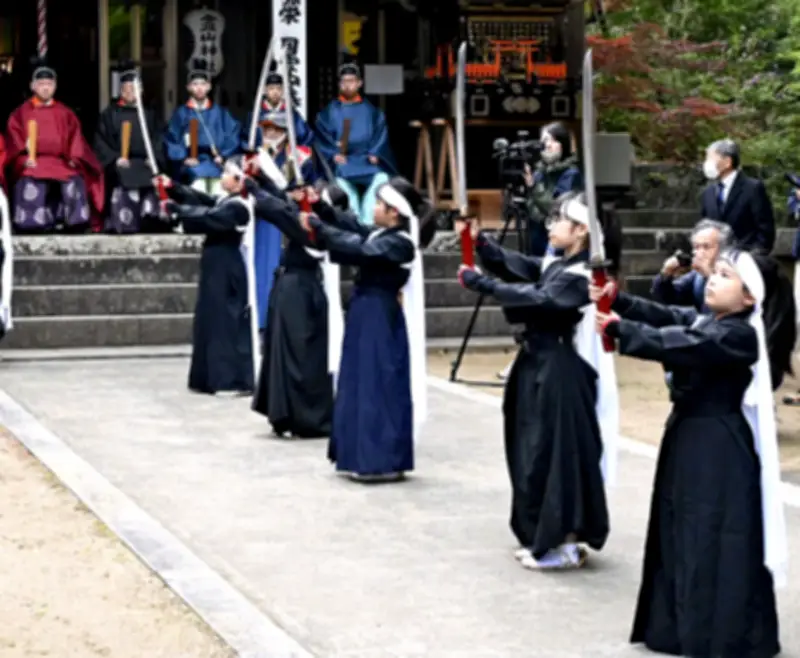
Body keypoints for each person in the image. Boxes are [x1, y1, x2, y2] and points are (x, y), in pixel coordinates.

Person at [594, 249, 785, 657]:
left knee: (713, 533)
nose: (713, 279)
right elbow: (665, 317)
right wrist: (620, 299)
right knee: (679, 525)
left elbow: (682, 343)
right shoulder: (707, 318)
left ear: (749, 297)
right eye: (714, 273)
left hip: (718, 448)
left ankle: (719, 631)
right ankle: (676, 625)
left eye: (726, 275)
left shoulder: (738, 335)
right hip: (687, 437)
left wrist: (621, 329)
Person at [457, 193, 612, 570]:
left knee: (556, 455)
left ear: (579, 232)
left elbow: (542, 298)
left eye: (559, 219)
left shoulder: (583, 276)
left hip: (559, 370)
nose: (551, 225)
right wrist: (480, 244)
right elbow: (521, 267)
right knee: (530, 451)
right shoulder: (558, 265)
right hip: (534, 363)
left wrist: (484, 285)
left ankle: (562, 541)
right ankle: (539, 532)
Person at [302, 176, 427, 482]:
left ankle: (380, 458)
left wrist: (319, 228)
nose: (375, 208)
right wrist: (319, 206)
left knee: (377, 382)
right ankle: (358, 454)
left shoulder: (400, 243)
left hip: (379, 316)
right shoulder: (382, 234)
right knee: (358, 380)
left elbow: (358, 248)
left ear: (394, 212)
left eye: (380, 204)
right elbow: (352, 227)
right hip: (364, 313)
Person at [245, 166, 338, 437]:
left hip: (302, 291)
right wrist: (260, 177)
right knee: (280, 351)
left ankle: (303, 417)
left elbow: (279, 211)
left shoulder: (314, 229)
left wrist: (253, 188)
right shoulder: (305, 217)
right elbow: (282, 202)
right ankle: (283, 413)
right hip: (290, 288)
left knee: (299, 356)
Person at [158, 156, 256, 396]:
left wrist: (176, 209)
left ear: (238, 180)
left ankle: (229, 379)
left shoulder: (241, 207)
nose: (222, 177)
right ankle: (206, 377)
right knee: (209, 318)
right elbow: (202, 200)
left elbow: (210, 217)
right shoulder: (226, 200)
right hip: (214, 265)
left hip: (227, 266)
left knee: (224, 320)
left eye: (227, 174)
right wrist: (174, 188)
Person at [5, 57, 104, 233]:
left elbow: (76, 140)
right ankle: (30, 223)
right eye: (41, 83)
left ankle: (73, 222)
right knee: (30, 175)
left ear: (55, 86)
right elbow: (13, 141)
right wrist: (23, 158)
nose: (45, 87)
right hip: (33, 161)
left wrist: (74, 158)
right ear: (32, 86)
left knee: (74, 176)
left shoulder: (65, 113)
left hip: (60, 161)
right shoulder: (20, 113)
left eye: (49, 84)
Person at [251, 110, 319, 332]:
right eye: (266, 129)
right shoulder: (258, 157)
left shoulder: (301, 157)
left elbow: (312, 183)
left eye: (274, 129)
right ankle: (262, 319)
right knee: (263, 267)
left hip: (293, 219)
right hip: (267, 218)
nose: (269, 133)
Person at [314, 62, 396, 225]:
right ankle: (354, 221)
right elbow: (323, 137)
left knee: (381, 178)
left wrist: (375, 152)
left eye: (352, 81)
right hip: (344, 163)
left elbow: (380, 134)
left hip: (367, 161)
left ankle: (367, 221)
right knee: (342, 184)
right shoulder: (330, 112)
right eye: (344, 81)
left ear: (359, 83)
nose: (348, 85)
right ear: (339, 84)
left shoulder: (372, 111)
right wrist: (333, 154)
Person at [93, 61, 165, 234]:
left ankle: (151, 220)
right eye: (126, 89)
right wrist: (115, 159)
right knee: (124, 175)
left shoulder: (149, 115)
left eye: (134, 89)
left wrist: (154, 158)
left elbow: (158, 138)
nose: (130, 92)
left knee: (152, 176)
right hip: (122, 161)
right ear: (120, 91)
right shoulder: (110, 114)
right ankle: (124, 222)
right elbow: (101, 141)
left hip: (144, 161)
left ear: (141, 91)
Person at [164, 62, 241, 195]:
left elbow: (233, 134)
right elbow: (171, 139)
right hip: (191, 163)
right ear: (188, 87)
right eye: (195, 84)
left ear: (209, 87)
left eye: (203, 84)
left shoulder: (220, 113)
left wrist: (223, 156)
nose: (199, 88)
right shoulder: (182, 113)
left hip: (216, 162)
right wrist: (183, 158)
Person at [700, 139, 775, 253]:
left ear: (727, 162)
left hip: (745, 258)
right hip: (715, 260)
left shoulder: (752, 188)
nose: (706, 163)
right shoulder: (708, 192)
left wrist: (756, 255)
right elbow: (704, 227)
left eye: (710, 158)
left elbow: (765, 228)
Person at [522, 122, 583, 257]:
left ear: (563, 143)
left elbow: (557, 208)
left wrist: (533, 187)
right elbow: (530, 206)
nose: (548, 145)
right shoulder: (539, 172)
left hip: (559, 239)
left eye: (554, 140)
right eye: (545, 141)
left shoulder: (571, 173)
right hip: (536, 235)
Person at [650, 219, 732, 311]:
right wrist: (665, 275)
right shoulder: (697, 276)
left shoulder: (735, 275)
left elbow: (719, 312)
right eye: (696, 247)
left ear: (724, 250)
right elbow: (668, 299)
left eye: (706, 247)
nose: (699, 253)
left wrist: (709, 275)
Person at [242, 67, 313, 149]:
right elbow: (245, 139)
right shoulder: (255, 115)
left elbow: (305, 137)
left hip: (286, 158)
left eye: (279, 88)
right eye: (271, 88)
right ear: (265, 90)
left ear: (283, 90)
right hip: (261, 157)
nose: (275, 92)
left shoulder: (292, 115)